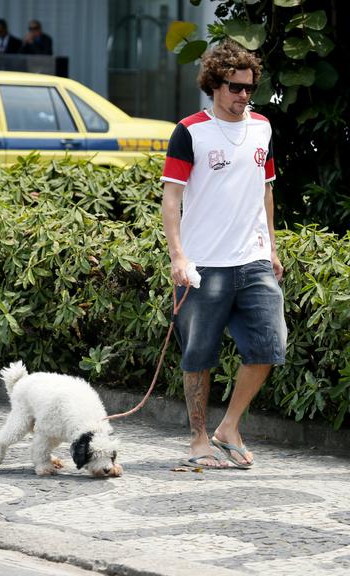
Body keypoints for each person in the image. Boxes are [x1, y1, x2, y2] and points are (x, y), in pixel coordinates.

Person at [161, 39, 287, 470]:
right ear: (214, 85)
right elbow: (171, 199)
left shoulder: (263, 127)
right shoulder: (190, 130)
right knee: (199, 355)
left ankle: (229, 427)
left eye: (249, 87)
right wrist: (178, 257)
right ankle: (198, 437)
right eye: (235, 87)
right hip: (203, 264)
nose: (243, 95)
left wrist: (271, 246)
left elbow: (265, 189)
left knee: (270, 346)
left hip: (252, 259)